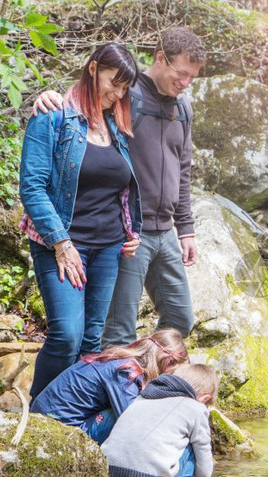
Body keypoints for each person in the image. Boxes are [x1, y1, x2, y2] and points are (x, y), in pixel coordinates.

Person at [34, 27, 205, 344]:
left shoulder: (183, 109)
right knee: (117, 332)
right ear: (160, 58)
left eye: (192, 78)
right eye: (181, 74)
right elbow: (86, 104)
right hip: (129, 234)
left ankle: (151, 387)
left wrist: (186, 228)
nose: (185, 84)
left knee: (181, 318)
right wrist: (50, 97)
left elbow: (183, 169)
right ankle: (117, 390)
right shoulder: (129, 94)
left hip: (165, 231)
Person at [19, 42, 143, 399]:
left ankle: (70, 414)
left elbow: (118, 186)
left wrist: (130, 231)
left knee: (91, 340)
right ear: (93, 69)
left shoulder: (115, 125)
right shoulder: (53, 114)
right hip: (60, 243)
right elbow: (32, 187)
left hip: (108, 248)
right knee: (66, 334)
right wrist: (61, 244)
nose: (118, 94)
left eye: (124, 88)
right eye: (113, 83)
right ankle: (41, 410)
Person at [101, 362, 219, 477]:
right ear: (203, 398)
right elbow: (205, 464)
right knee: (194, 445)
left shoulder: (143, 397)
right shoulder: (195, 408)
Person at [29, 328, 188, 443]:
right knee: (128, 416)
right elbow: (132, 421)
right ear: (167, 362)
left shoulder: (116, 359)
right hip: (58, 431)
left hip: (44, 420)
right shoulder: (125, 371)